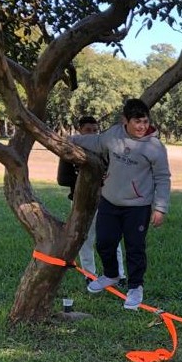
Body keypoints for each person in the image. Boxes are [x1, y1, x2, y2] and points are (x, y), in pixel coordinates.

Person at [79, 99, 171, 310]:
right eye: (137, 122)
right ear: (125, 121)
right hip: (109, 201)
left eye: (145, 121)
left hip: (138, 206)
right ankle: (111, 274)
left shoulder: (155, 147)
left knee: (134, 247)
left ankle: (135, 287)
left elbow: (163, 178)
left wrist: (160, 208)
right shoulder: (114, 135)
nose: (142, 126)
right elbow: (95, 142)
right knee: (104, 242)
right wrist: (66, 139)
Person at [57, 115, 125, 284]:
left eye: (95, 130)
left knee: (112, 238)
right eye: (88, 130)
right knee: (85, 239)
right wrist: (87, 180)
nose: (92, 134)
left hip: (106, 201)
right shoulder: (71, 152)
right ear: (79, 130)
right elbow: (63, 179)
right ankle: (90, 275)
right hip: (81, 202)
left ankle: (119, 275)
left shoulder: (105, 150)